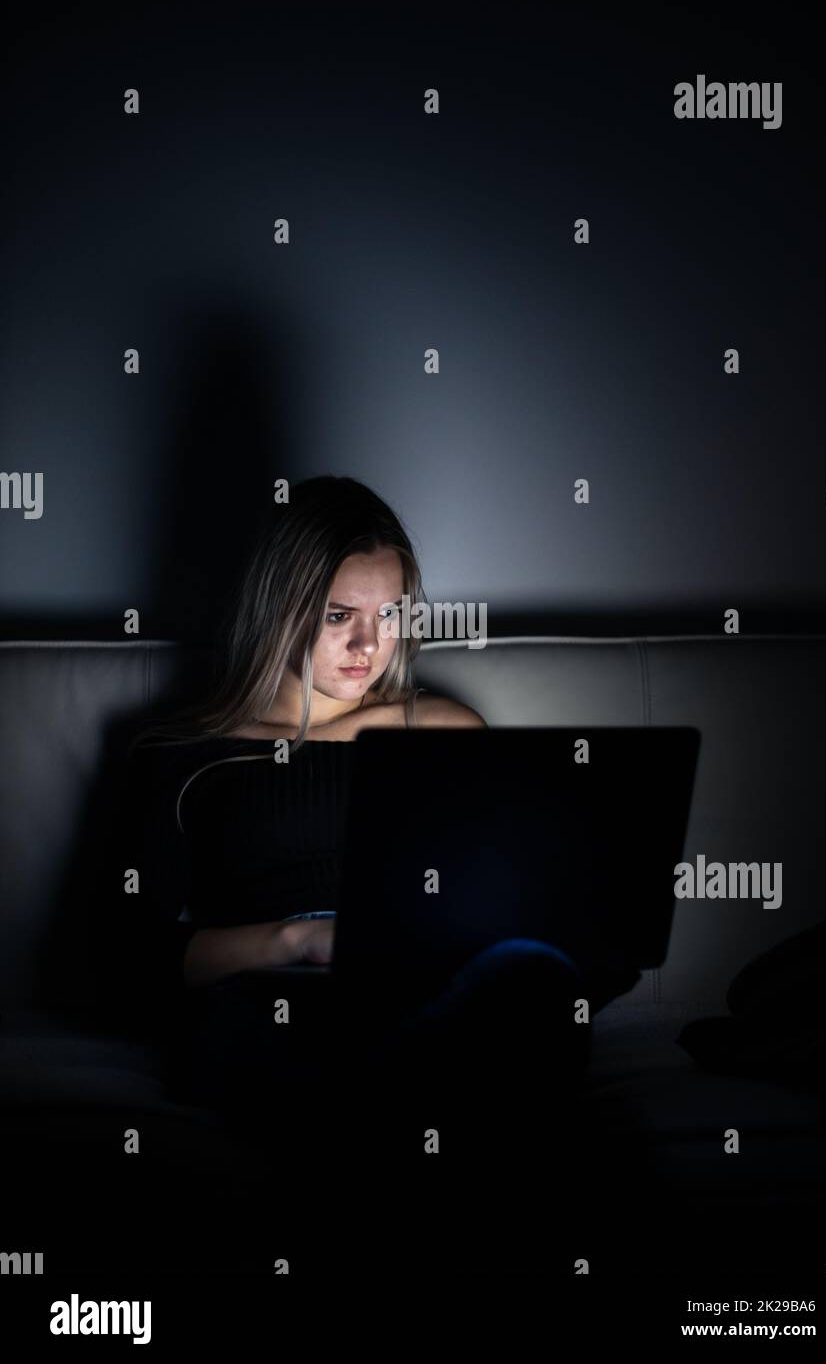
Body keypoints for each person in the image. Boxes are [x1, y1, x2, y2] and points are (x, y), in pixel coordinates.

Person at [89, 475, 640, 1265]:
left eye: (390, 619)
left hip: (433, 993)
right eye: (339, 617)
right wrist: (298, 941)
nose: (367, 648)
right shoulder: (183, 757)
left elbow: (517, 894)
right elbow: (116, 963)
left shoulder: (443, 727)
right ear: (277, 609)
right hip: (277, 1006)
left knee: (532, 974)